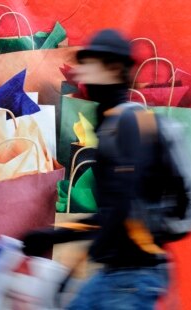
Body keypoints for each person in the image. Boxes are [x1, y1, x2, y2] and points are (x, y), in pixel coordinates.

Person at [23, 29, 170, 309]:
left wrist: (61, 242)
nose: (81, 72)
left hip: (133, 276)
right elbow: (111, 213)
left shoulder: (127, 124)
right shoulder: (111, 125)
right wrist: (57, 238)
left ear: (114, 69)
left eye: (90, 64)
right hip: (118, 272)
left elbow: (120, 211)